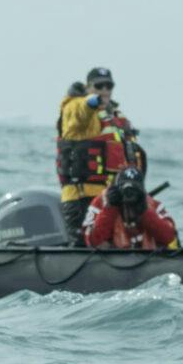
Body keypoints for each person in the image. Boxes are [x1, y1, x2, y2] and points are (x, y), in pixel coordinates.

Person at [55, 66, 125, 241]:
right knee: (83, 245)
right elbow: (78, 111)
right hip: (81, 197)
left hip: (109, 195)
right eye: (99, 86)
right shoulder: (75, 107)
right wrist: (90, 101)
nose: (104, 90)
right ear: (88, 88)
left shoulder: (114, 116)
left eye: (108, 86)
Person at [84, 167, 178, 250]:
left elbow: (169, 237)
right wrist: (110, 208)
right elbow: (93, 241)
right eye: (123, 188)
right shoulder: (102, 202)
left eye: (134, 189)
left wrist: (144, 212)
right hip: (111, 259)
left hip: (149, 259)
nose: (128, 193)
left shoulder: (152, 205)